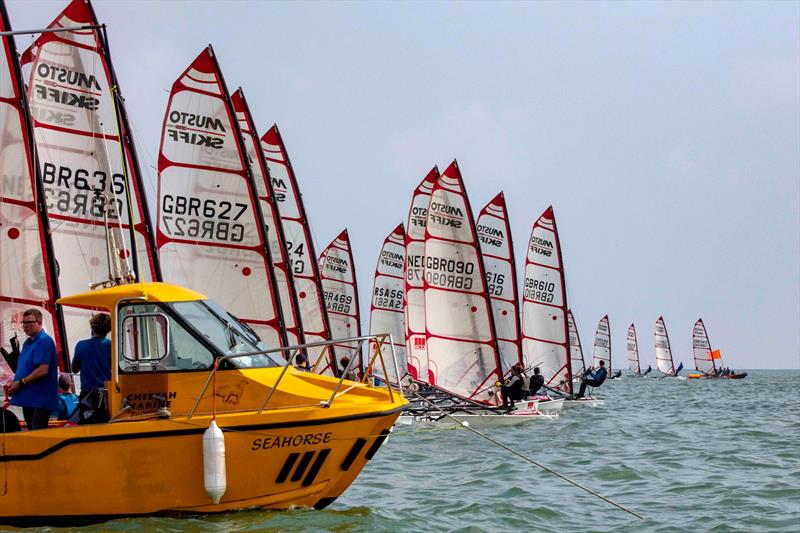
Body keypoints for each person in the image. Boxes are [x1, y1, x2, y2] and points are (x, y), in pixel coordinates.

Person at [6, 308, 59, 430]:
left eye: (29, 322)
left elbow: (43, 370)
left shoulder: (44, 341)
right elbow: (26, 367)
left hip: (39, 400)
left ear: (39, 322)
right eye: (23, 323)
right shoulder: (28, 342)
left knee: (37, 433)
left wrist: (21, 383)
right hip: (29, 399)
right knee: (31, 432)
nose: (25, 326)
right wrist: (15, 383)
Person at [72, 313, 111, 425]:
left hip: (87, 393)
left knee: (86, 423)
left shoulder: (82, 345)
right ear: (108, 329)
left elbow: (74, 369)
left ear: (92, 327)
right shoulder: (110, 346)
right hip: (106, 393)